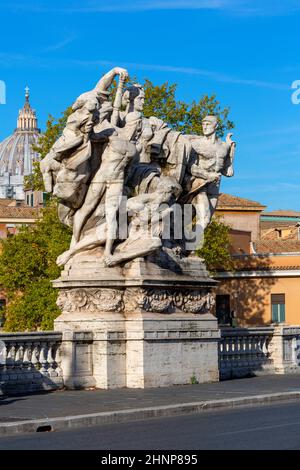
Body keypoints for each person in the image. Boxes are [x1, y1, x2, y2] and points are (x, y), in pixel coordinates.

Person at [184, 115, 236, 232]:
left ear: (215, 126)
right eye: (203, 124)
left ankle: (186, 245)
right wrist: (207, 175)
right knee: (204, 219)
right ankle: (189, 245)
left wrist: (232, 149)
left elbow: (228, 172)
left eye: (208, 124)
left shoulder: (224, 147)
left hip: (214, 188)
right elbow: (189, 167)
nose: (204, 127)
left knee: (206, 221)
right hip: (199, 185)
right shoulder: (196, 144)